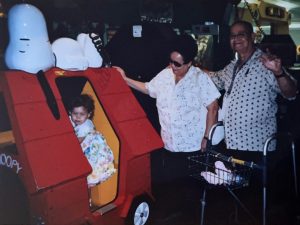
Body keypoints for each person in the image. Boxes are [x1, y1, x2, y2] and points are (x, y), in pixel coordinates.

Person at [115, 34, 220, 188]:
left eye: (177, 64)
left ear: (189, 63)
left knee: (192, 189)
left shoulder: (200, 78)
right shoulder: (165, 75)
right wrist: (125, 79)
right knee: (173, 188)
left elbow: (213, 107)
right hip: (169, 144)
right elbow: (148, 88)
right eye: (171, 61)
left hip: (193, 146)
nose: (172, 66)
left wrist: (207, 137)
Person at [69, 94, 116, 187]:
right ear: (70, 112)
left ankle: (94, 177)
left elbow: (77, 142)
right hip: (85, 144)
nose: (77, 117)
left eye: (82, 114)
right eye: (75, 113)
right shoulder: (74, 120)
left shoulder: (86, 125)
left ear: (88, 114)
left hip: (91, 146)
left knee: (95, 164)